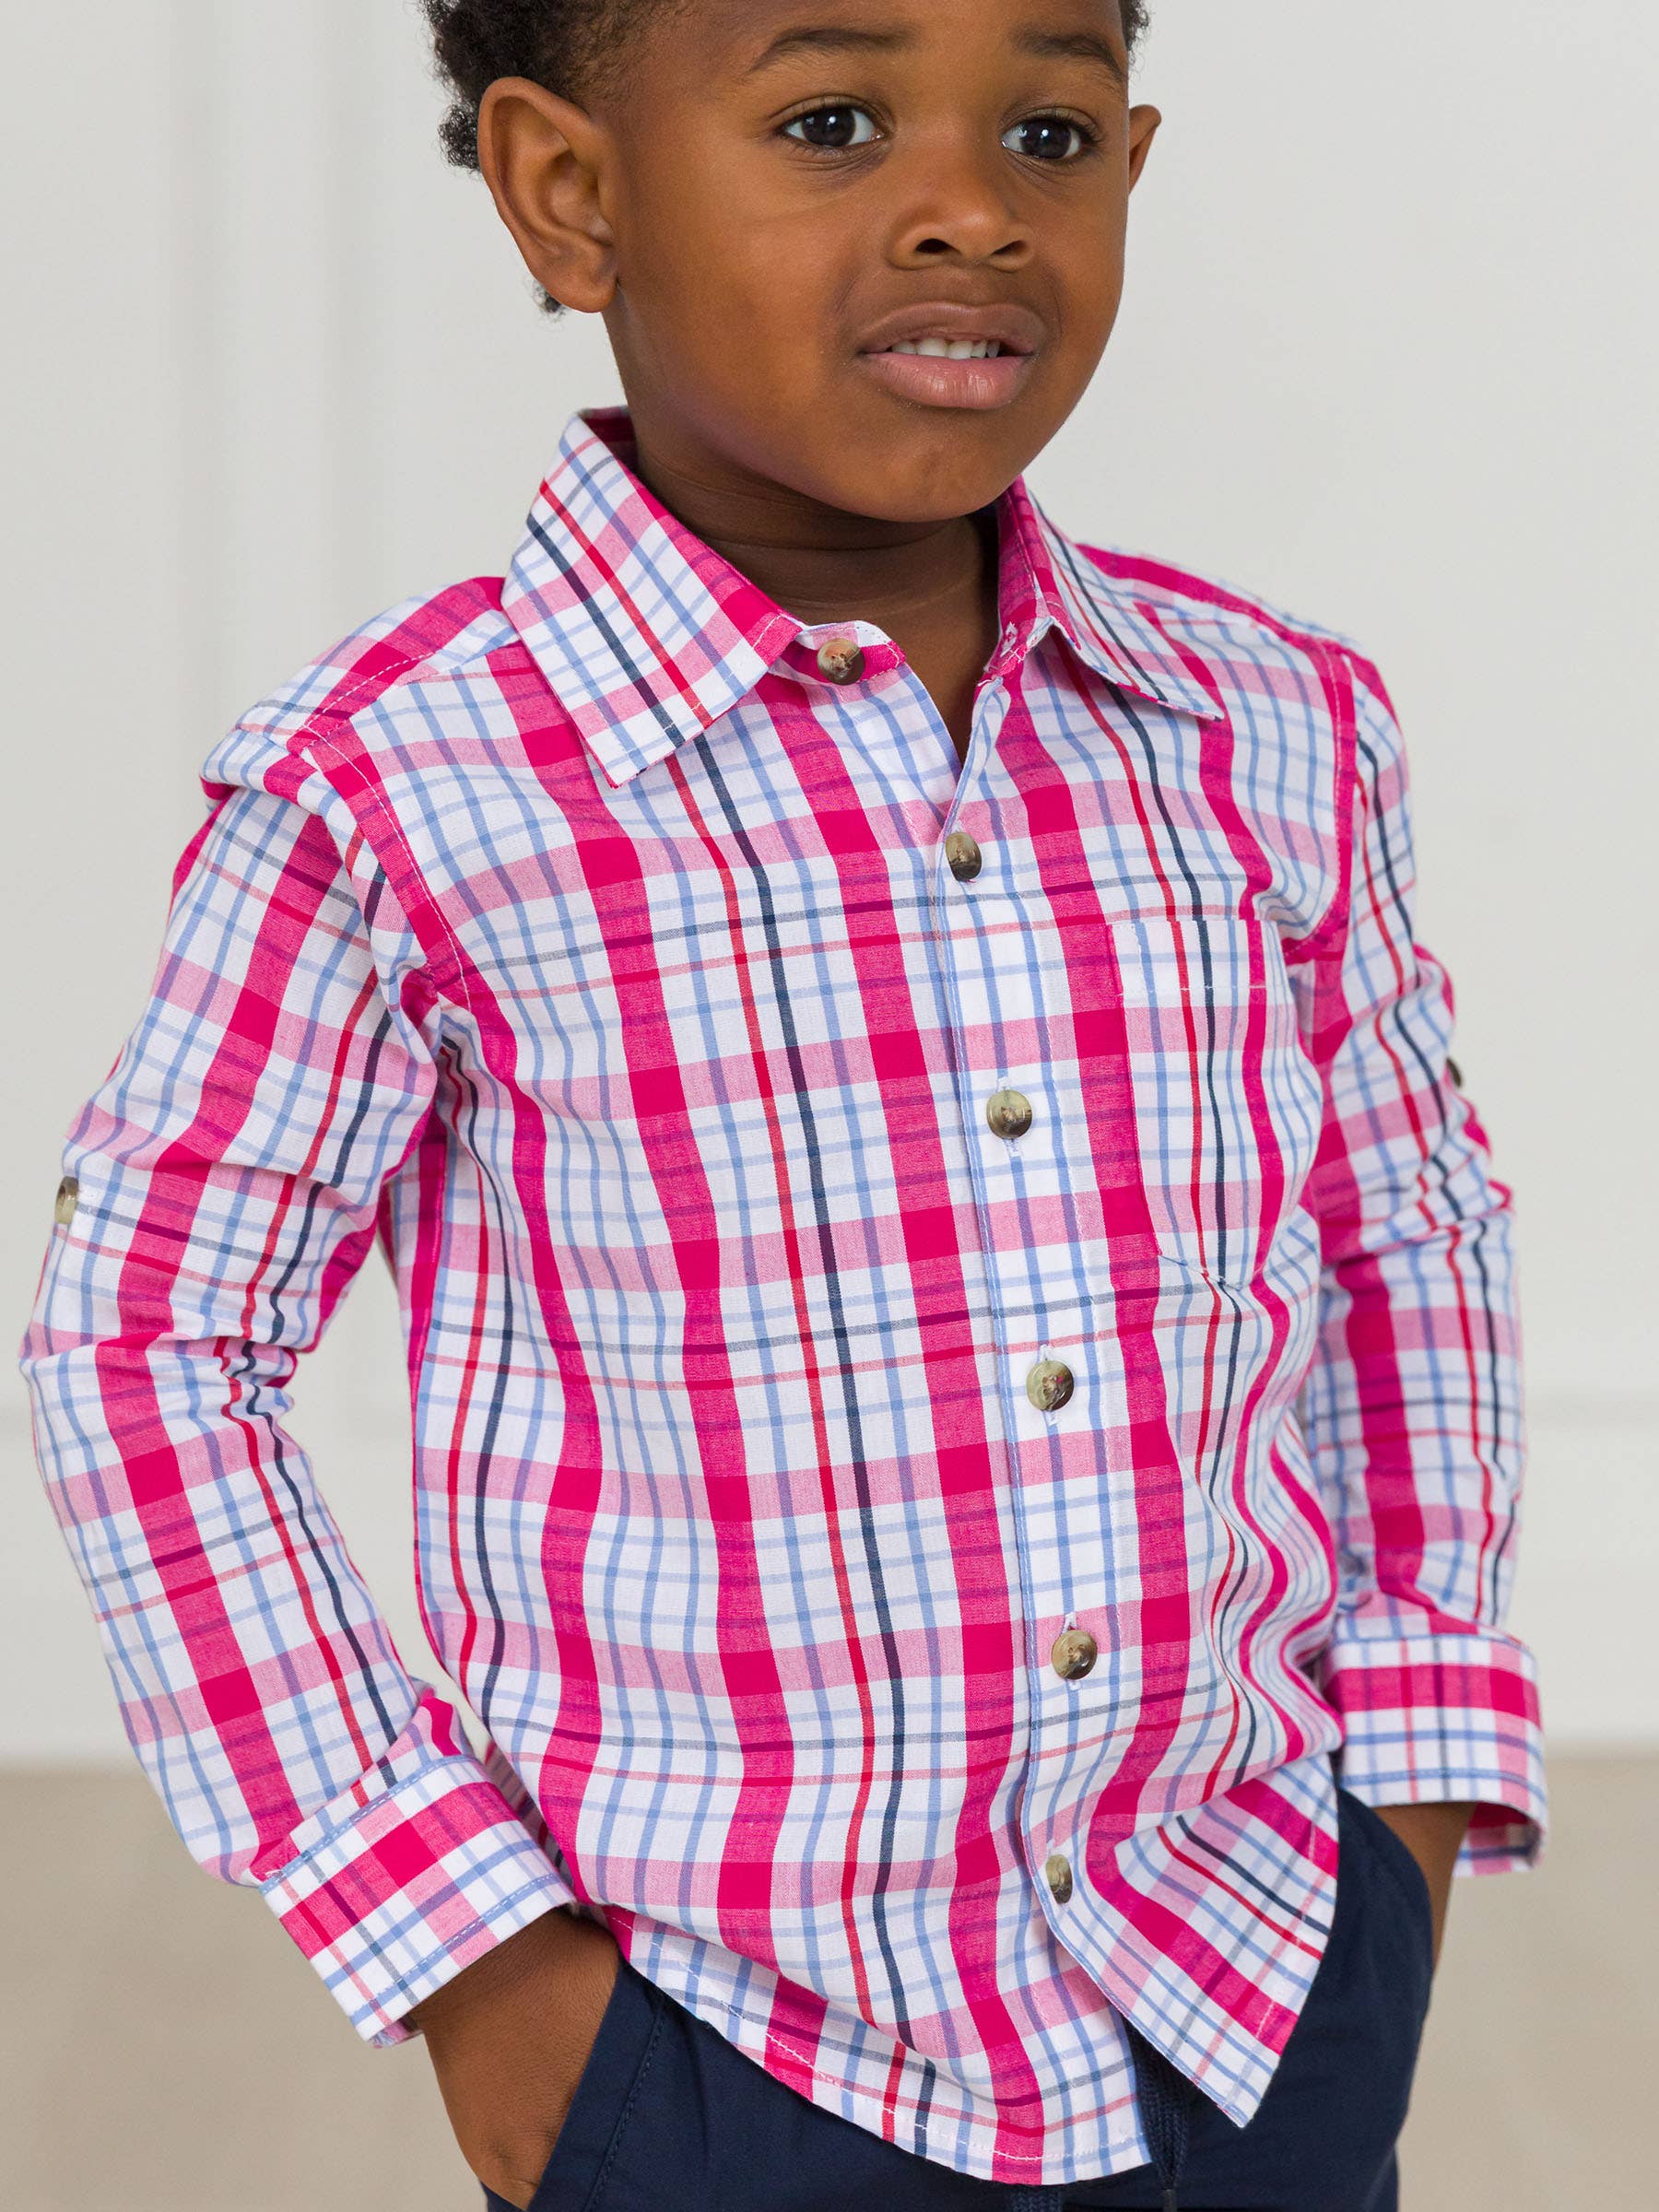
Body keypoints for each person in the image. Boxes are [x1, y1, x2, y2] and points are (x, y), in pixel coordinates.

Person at [18, 4, 1547, 2207]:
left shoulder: (1271, 724)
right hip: (722, 2046)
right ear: (571, 193)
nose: (969, 211)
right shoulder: (392, 793)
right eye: (835, 121)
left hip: (1255, 1976)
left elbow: (1406, 1232)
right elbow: (152, 1342)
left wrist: (1405, 1802)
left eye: (1049, 133)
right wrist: (469, 1959)